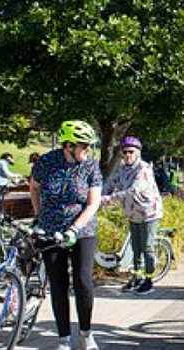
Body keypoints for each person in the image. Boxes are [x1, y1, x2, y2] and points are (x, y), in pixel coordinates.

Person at [30, 120, 102, 350]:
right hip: (50, 229)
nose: (87, 150)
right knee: (58, 284)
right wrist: (39, 214)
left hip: (82, 230)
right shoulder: (47, 162)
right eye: (84, 145)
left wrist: (74, 228)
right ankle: (63, 338)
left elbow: (93, 203)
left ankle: (85, 333)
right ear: (69, 145)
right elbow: (34, 186)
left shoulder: (90, 166)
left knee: (83, 282)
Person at [102, 136, 163, 295]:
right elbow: (110, 183)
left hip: (149, 213)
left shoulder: (143, 169)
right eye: (124, 152)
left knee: (147, 247)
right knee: (135, 249)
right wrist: (100, 195)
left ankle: (149, 280)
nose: (127, 155)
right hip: (133, 213)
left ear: (138, 152)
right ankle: (136, 278)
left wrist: (110, 198)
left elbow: (133, 190)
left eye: (131, 152)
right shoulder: (122, 169)